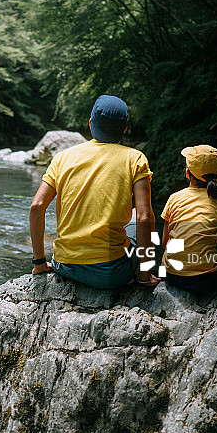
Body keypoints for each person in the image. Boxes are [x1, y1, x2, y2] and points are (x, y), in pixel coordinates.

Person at [29, 94, 160, 289]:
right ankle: (146, 274)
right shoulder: (135, 158)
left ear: (91, 124)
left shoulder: (62, 158)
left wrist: (40, 263)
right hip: (111, 273)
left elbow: (37, 206)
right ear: (124, 129)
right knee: (138, 218)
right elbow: (144, 218)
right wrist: (144, 275)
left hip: (65, 266)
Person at [161, 144, 217, 292]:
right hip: (209, 280)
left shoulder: (174, 198)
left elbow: (165, 243)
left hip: (173, 276)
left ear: (187, 173)